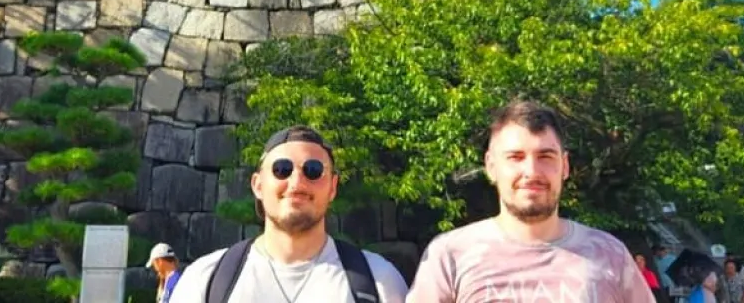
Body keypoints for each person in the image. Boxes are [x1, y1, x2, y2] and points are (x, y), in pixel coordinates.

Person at [406, 100, 656, 302]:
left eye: (545, 156)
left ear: (565, 166)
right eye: (515, 157)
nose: (532, 171)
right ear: (491, 167)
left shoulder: (610, 255)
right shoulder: (450, 256)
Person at [171, 124, 407, 302]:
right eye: (281, 169)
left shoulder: (379, 282)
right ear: (258, 185)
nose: (297, 182)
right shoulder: (206, 281)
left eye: (313, 171)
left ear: (333, 187)